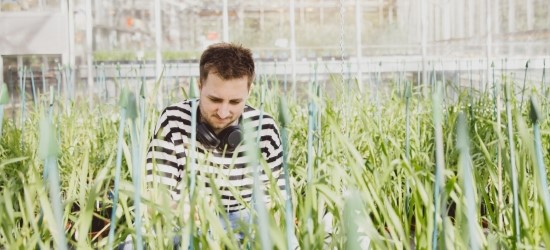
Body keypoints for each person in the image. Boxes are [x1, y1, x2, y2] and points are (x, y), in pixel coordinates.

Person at [138, 42, 296, 249]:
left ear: (249, 91)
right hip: (185, 224)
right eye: (214, 99)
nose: (223, 113)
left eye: (234, 102)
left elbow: (275, 204)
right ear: (200, 85)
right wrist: (179, 208)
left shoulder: (263, 128)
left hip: (242, 223)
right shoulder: (173, 119)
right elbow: (154, 194)